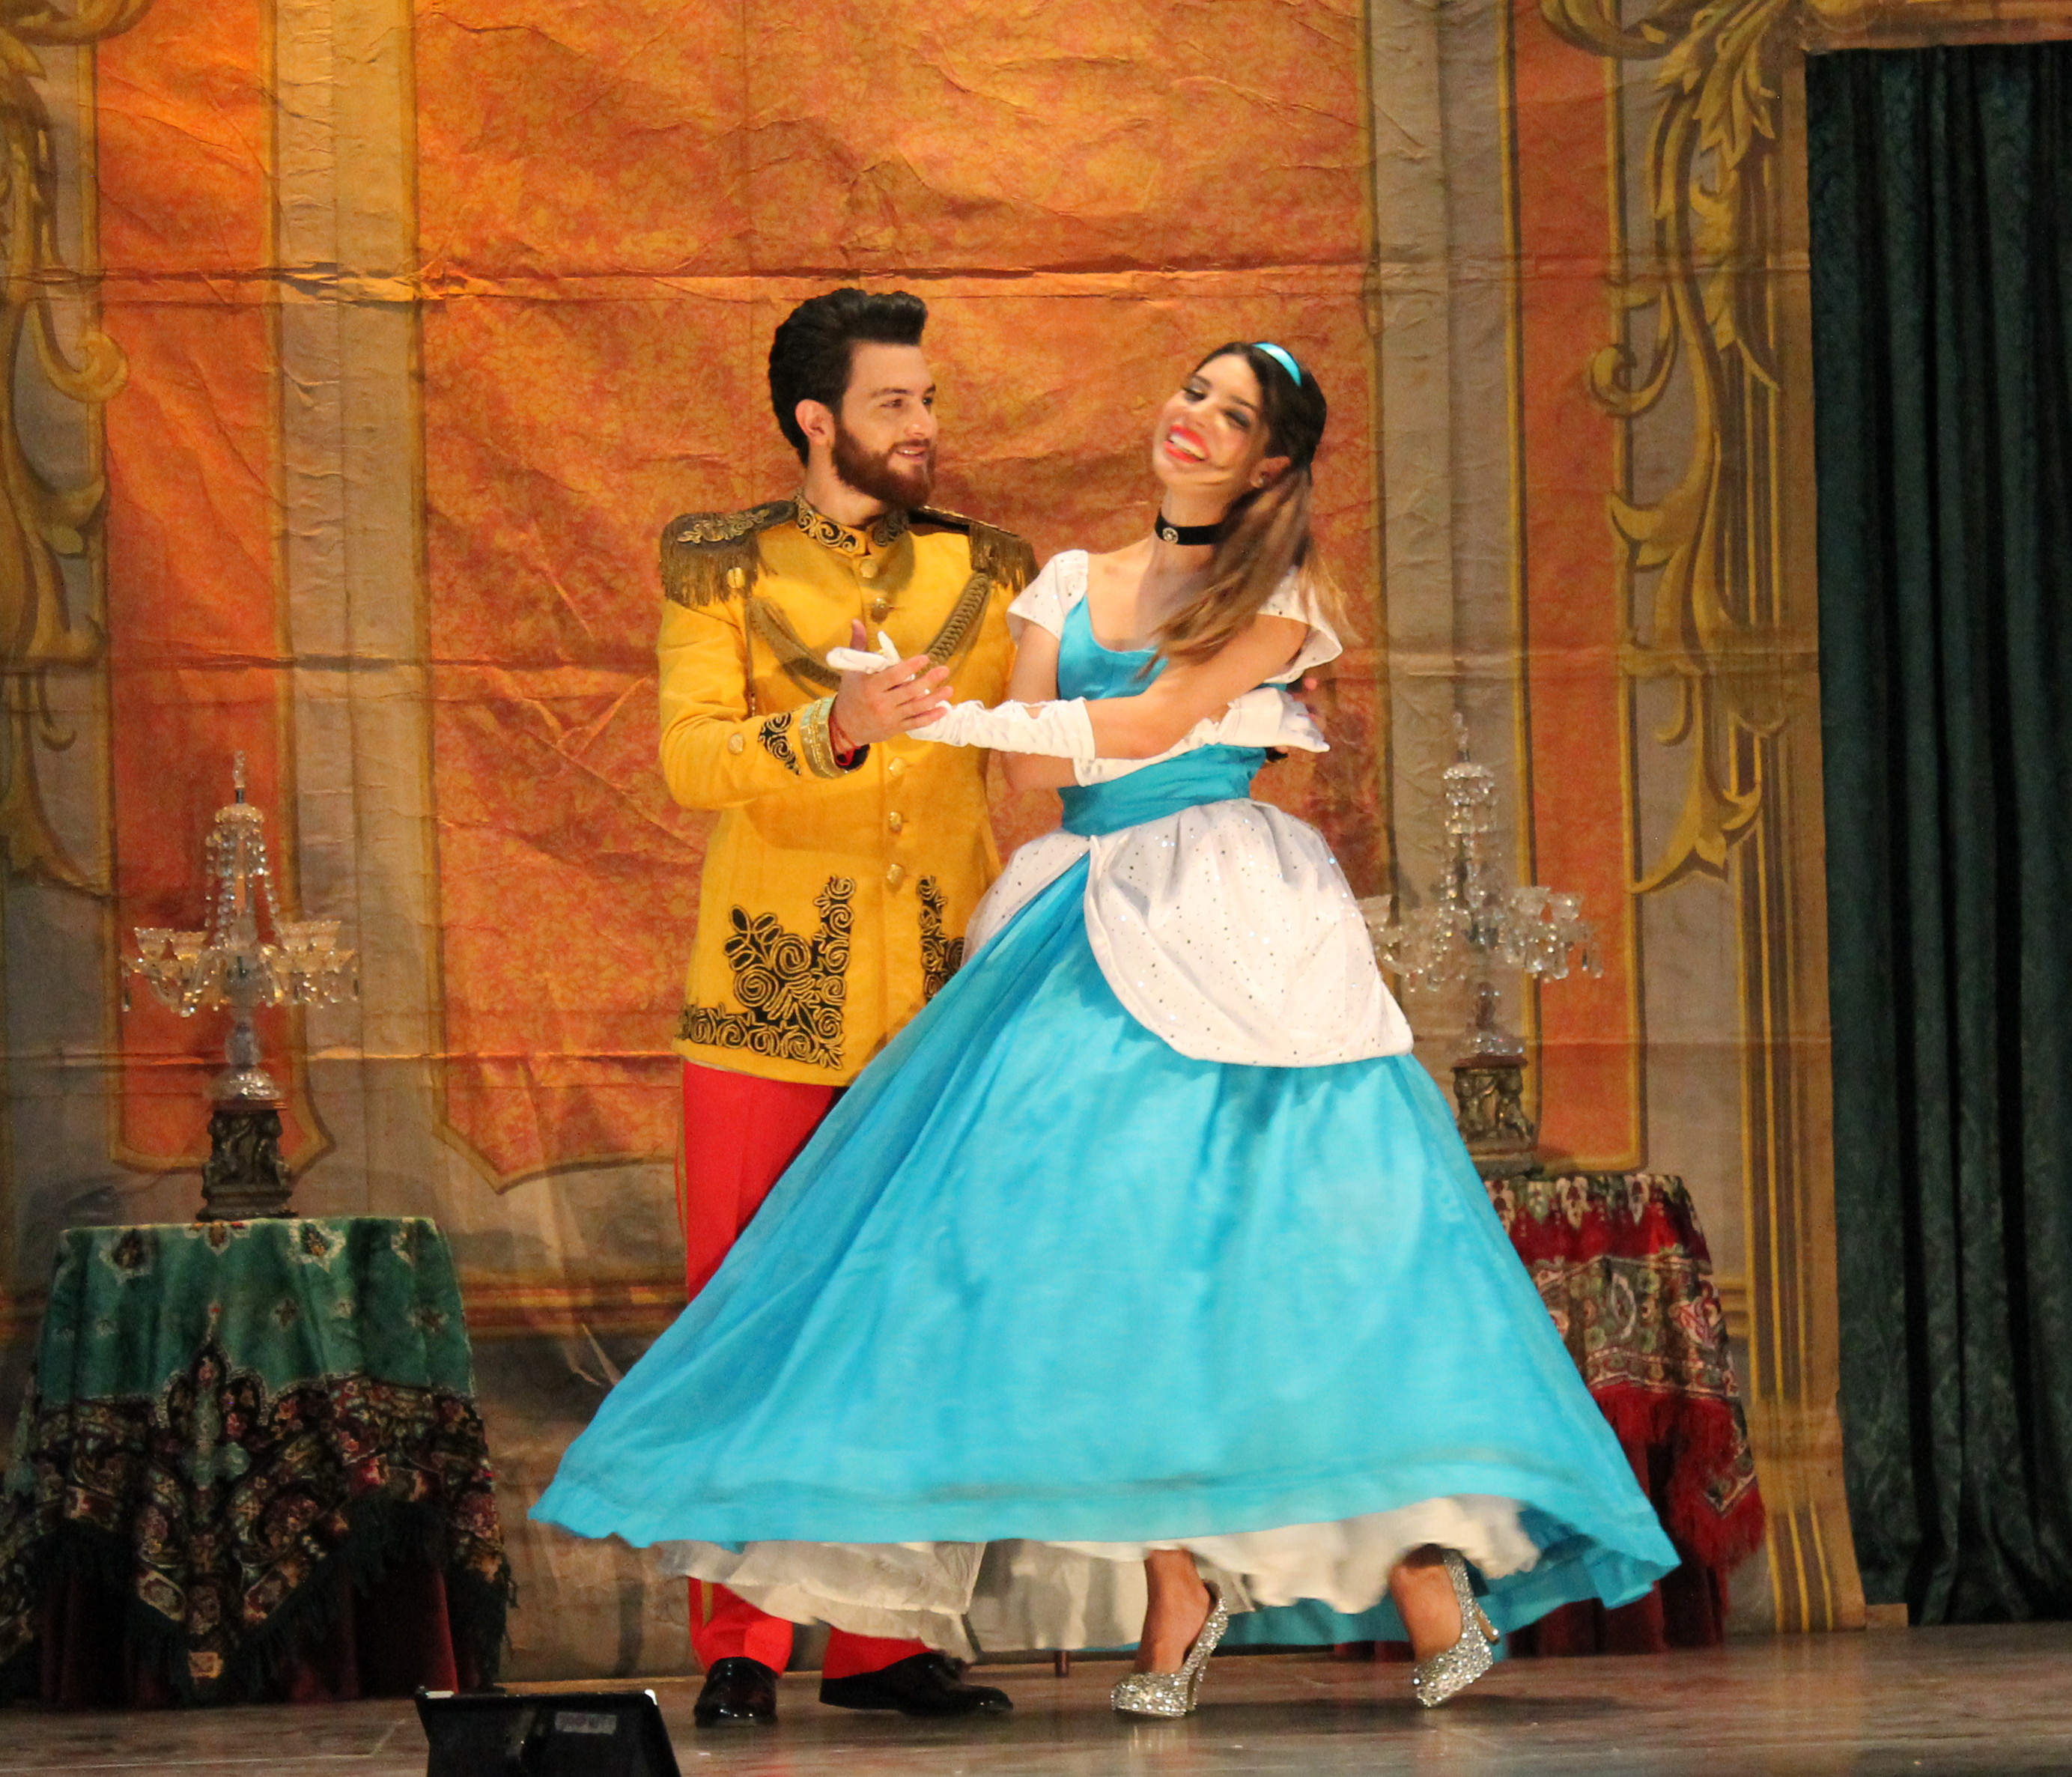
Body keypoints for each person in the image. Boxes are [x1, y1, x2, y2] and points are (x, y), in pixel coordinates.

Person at [539, 339, 1678, 1718]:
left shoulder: (1280, 595)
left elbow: (1152, 717)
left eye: (1232, 415)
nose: (1194, 420)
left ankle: (1415, 1559)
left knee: (1286, 1245)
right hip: (1083, 922)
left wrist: (973, 717)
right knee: (1108, 1255)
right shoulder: (1065, 581)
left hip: (1236, 921)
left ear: (1270, 460)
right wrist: (941, 715)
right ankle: (1174, 1580)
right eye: (1194, 392)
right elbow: (1038, 764)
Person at [644, 286, 1035, 1725]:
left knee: (916, 1316)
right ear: (818, 420)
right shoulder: (723, 563)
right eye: (894, 403)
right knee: (750, 1318)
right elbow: (691, 758)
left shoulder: (991, 571)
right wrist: (833, 727)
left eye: (927, 401)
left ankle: (885, 1642)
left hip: (937, 1006)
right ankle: (741, 1645)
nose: (924, 425)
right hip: (769, 998)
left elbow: (1037, 747)